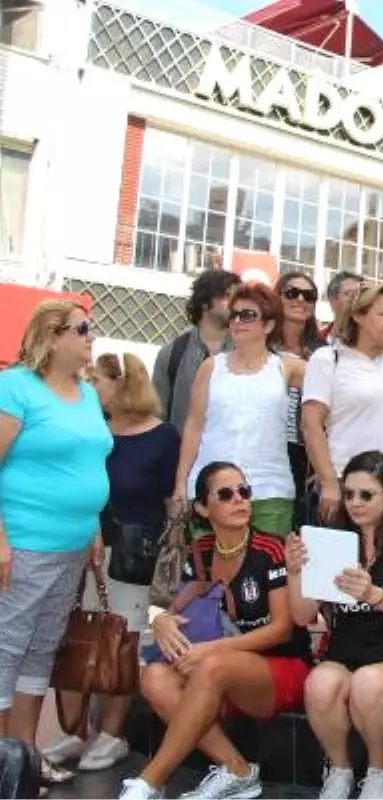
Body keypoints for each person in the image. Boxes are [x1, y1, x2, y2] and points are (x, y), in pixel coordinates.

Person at [120, 462, 313, 800]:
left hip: (279, 669)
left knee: (211, 666)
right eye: (226, 494)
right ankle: (238, 769)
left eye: (244, 491)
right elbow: (163, 603)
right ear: (202, 508)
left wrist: (210, 651)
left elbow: (283, 630)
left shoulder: (272, 549)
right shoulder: (200, 552)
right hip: (215, 675)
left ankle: (149, 781)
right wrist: (160, 620)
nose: (239, 500)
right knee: (153, 677)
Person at [44, 352, 179, 774]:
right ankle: (75, 728)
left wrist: (170, 550)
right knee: (78, 636)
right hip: (84, 544)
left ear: (122, 382)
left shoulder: (163, 436)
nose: (90, 386)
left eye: (97, 379)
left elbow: (171, 499)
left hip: (135, 552)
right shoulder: (95, 429)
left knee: (122, 640)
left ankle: (113, 734)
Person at [0, 301, 109, 783]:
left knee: (41, 648)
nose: (91, 337)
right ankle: (4, 761)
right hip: (25, 541)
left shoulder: (86, 394)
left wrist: (94, 528)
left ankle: (25, 756)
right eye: (82, 329)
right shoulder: (16, 386)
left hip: (72, 545)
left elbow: (90, 462)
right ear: (51, 334)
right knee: (7, 646)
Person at [286, 451, 383, 800]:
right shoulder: (333, 539)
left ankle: (380, 772)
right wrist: (296, 573)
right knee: (319, 684)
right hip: (345, 658)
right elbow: (302, 616)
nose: (355, 502)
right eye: (349, 493)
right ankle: (339, 770)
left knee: (368, 683)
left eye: (366, 494)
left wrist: (374, 594)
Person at [174, 284, 303, 537]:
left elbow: (336, 390)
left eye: (248, 315)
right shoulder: (210, 367)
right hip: (212, 490)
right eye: (234, 314)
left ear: (268, 325)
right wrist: (180, 482)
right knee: (209, 573)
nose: (238, 321)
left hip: (269, 490)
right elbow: (194, 426)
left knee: (269, 571)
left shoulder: (289, 368)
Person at [303, 281, 383, 524]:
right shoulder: (327, 359)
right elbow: (311, 425)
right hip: (347, 479)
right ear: (358, 316)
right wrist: (329, 483)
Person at [153, 270, 240, 429]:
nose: (236, 304)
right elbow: (156, 416)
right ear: (205, 303)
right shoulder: (172, 353)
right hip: (179, 449)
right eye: (228, 296)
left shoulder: (244, 350)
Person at [270, 272, 325, 511]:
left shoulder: (323, 352)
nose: (300, 300)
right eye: (292, 293)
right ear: (277, 297)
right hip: (265, 445)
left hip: (304, 453)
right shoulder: (260, 346)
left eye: (309, 295)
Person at [320, 271, 362, 344]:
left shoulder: (374, 342)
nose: (356, 299)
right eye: (350, 294)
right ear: (333, 300)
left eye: (361, 294)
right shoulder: (317, 341)